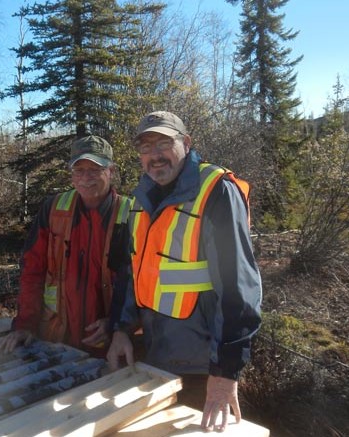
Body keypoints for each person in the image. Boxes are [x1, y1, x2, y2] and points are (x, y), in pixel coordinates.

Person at [107, 111, 262, 432]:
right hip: (154, 354)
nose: (154, 155)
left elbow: (239, 289)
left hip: (203, 368)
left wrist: (225, 374)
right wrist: (121, 328)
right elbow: (131, 267)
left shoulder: (216, 190)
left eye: (164, 143)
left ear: (186, 143)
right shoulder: (141, 195)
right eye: (146, 148)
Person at [0, 135, 131, 357]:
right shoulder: (54, 209)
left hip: (110, 347)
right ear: (71, 174)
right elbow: (33, 270)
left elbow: (141, 286)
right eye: (79, 170)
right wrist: (25, 324)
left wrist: (118, 325)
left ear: (111, 171)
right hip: (55, 340)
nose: (86, 178)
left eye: (95, 169)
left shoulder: (131, 214)